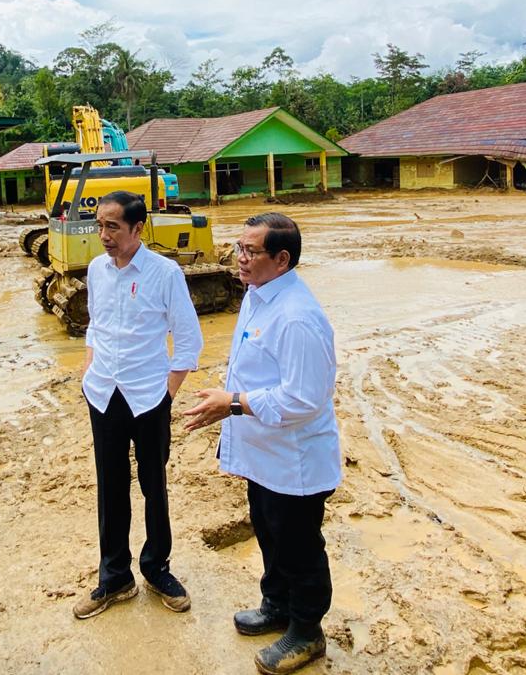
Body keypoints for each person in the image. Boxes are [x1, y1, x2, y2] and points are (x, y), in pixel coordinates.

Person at [184, 213, 341, 675]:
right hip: (263, 454)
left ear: (282, 259)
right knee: (269, 533)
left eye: (251, 251)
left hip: (294, 461)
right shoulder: (257, 294)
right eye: (239, 247)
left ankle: (307, 631)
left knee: (298, 546)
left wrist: (232, 401)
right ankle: (276, 606)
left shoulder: (298, 318)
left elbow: (303, 398)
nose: (240, 258)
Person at [73, 190, 203, 619]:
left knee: (153, 485)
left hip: (149, 398)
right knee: (111, 486)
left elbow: (188, 340)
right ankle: (115, 578)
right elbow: (95, 324)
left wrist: (167, 393)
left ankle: (156, 567)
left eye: (112, 226)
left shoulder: (165, 273)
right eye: (99, 226)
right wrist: (90, 368)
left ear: (137, 228)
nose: (103, 235)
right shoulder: (95, 270)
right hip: (103, 394)